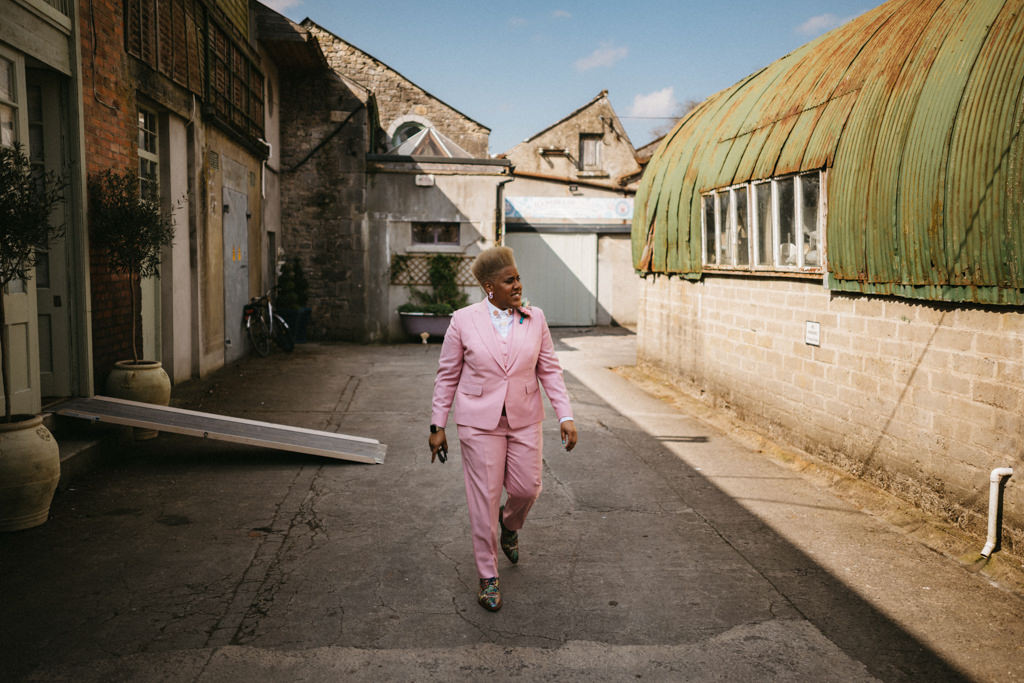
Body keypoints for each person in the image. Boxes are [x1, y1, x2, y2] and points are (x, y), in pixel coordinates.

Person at [428, 246, 578, 612]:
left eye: (519, 278)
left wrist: (565, 415)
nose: (518, 285)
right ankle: (487, 576)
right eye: (509, 280)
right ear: (489, 286)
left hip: (525, 418)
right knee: (483, 499)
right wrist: (437, 423)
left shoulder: (535, 318)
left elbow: (550, 370)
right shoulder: (463, 320)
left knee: (528, 488)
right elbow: (447, 375)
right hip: (479, 423)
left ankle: (509, 524)